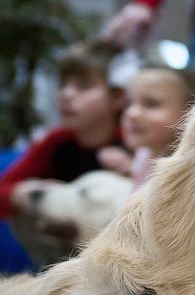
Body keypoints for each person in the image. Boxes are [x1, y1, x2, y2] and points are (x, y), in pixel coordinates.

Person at [0, 40, 128, 263]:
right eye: (62, 85)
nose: (67, 95)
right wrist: (22, 193)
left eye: (84, 86)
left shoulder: (131, 144)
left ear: (117, 97)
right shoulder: (56, 141)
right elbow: (4, 189)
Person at [100, 66, 195, 188]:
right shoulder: (144, 153)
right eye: (129, 103)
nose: (132, 113)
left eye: (151, 103)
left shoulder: (193, 173)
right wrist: (130, 167)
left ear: (190, 112)